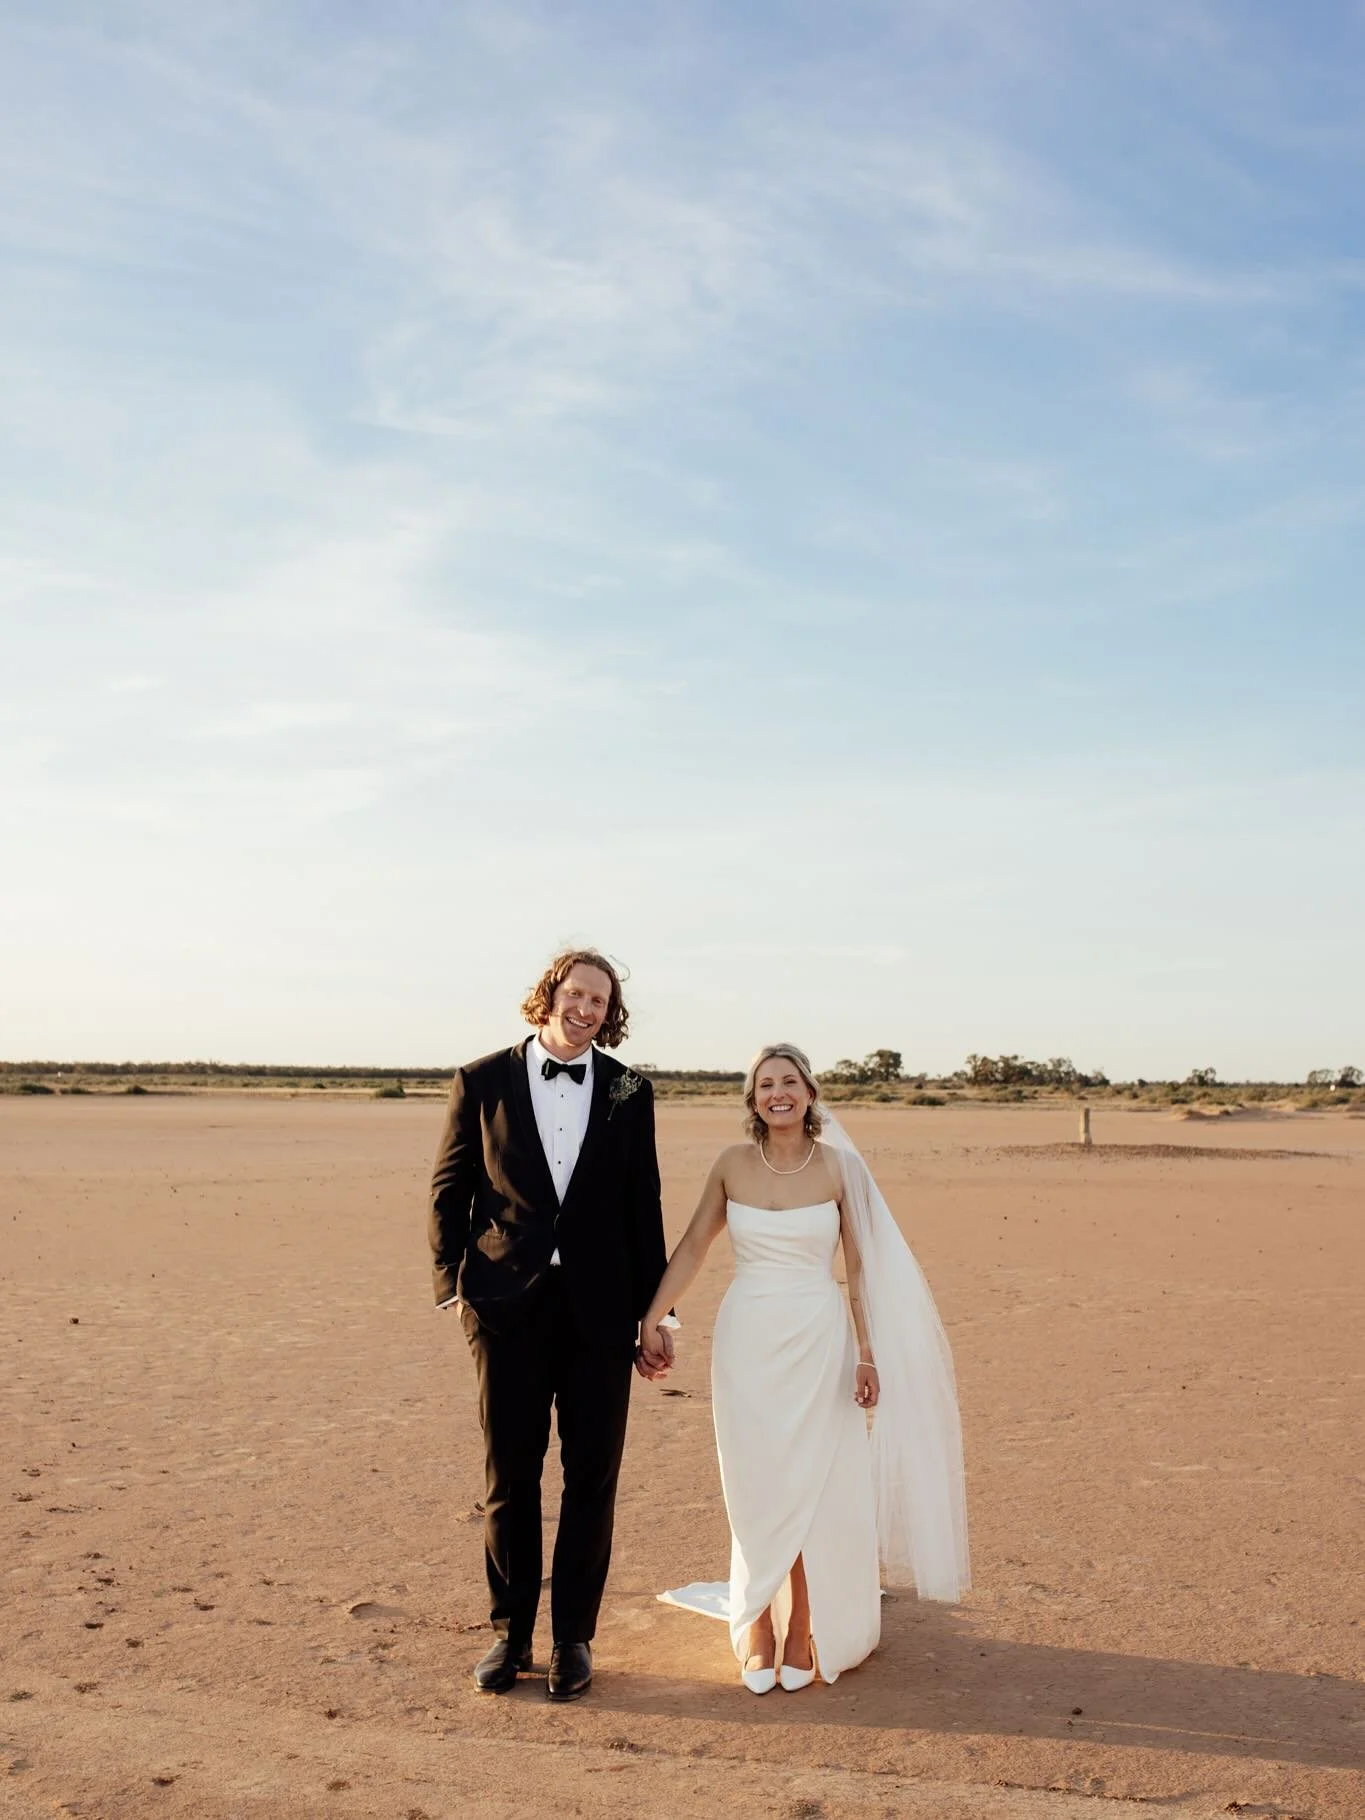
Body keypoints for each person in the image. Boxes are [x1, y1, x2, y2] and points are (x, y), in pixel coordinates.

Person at [641, 1042, 969, 1691]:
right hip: (747, 1342)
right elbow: (691, 1249)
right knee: (755, 1478)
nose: (777, 1093)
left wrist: (867, 1353)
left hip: (820, 1339)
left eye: (788, 1081)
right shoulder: (731, 1164)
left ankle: (800, 1629)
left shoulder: (840, 1169)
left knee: (813, 1484)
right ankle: (757, 1620)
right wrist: (652, 1317)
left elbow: (859, 1271)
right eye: (765, 1084)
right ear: (753, 1099)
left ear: (809, 1094)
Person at [428, 948, 672, 1702]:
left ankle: (573, 1640)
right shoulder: (481, 1079)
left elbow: (644, 1205)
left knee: (591, 1479)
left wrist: (657, 1315)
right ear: (549, 998)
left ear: (610, 1012)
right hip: (505, 1308)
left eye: (600, 1000)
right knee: (511, 1478)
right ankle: (511, 1636)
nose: (586, 1008)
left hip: (601, 1314)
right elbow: (450, 1187)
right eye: (576, 994)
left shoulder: (631, 1089)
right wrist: (453, 1289)